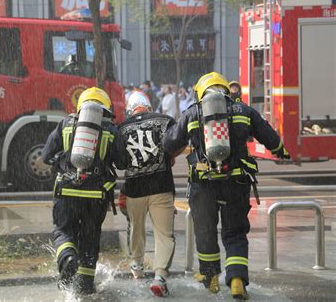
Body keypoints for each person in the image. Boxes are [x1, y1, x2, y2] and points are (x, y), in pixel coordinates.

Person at [162, 72, 290, 300]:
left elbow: (170, 142)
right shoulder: (244, 110)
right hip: (236, 182)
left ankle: (210, 277)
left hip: (203, 185)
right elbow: (269, 136)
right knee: (235, 233)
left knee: (205, 231)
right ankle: (237, 279)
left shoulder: (192, 112)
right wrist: (281, 150)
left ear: (200, 92)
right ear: (225, 89)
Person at [41, 87, 126, 296]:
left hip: (67, 193)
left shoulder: (66, 124)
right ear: (105, 108)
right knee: (90, 237)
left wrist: (63, 160)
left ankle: (68, 257)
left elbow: (45, 156)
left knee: (64, 230)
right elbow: (124, 162)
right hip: (96, 197)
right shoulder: (111, 130)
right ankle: (86, 285)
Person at [118, 91, 176, 297]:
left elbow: (120, 162)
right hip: (161, 187)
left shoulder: (122, 128)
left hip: (135, 190)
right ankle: (160, 277)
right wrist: (169, 157)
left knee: (136, 228)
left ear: (130, 110)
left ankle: (137, 268)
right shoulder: (165, 120)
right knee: (164, 235)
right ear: (149, 106)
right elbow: (175, 145)